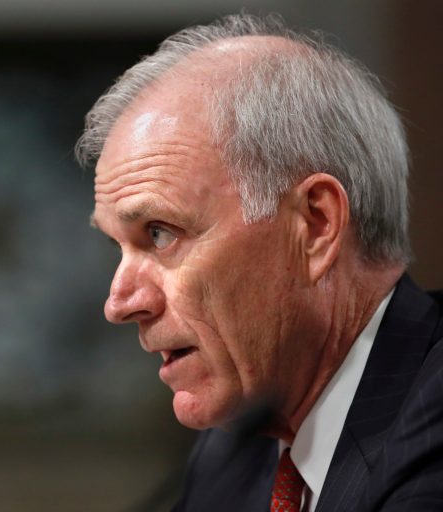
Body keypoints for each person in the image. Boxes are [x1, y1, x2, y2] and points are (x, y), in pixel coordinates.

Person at [76, 13, 443, 512]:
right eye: (118, 246)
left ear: (315, 225)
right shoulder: (236, 449)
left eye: (160, 234)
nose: (119, 304)